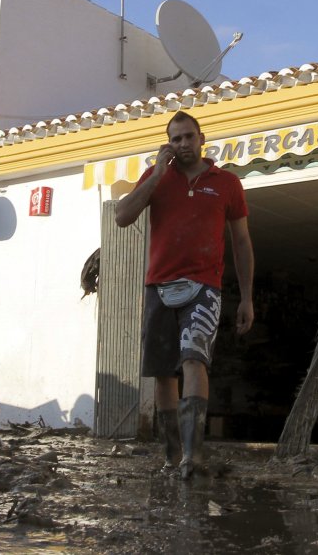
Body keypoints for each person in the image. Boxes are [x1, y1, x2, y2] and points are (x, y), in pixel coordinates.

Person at [114, 111, 254, 479]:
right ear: (167, 144)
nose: (183, 144)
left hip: (204, 287)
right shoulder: (157, 178)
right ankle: (172, 455)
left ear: (202, 137)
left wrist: (247, 297)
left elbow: (241, 241)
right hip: (158, 286)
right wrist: (157, 173)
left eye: (188, 137)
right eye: (175, 139)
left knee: (195, 359)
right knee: (162, 373)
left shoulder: (226, 183)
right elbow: (122, 216)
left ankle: (194, 456)